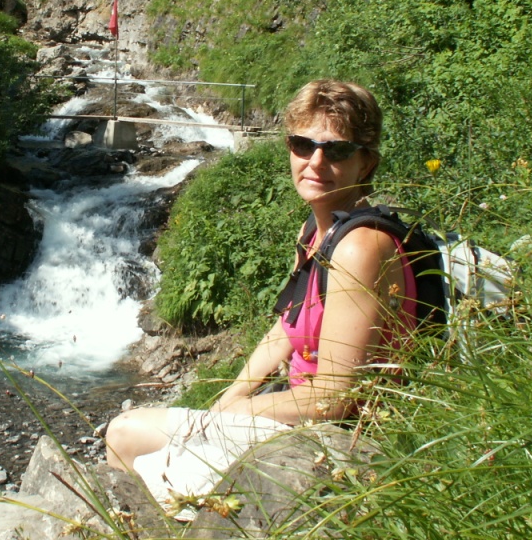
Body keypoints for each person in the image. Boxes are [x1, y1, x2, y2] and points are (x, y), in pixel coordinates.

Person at [104, 79, 418, 509]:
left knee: (124, 436)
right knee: (141, 439)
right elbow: (289, 325)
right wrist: (232, 395)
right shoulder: (319, 231)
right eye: (303, 145)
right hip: (299, 418)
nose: (316, 161)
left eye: (338, 150)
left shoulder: (359, 247)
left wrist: (238, 413)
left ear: (366, 164)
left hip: (338, 441)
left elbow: (336, 397)